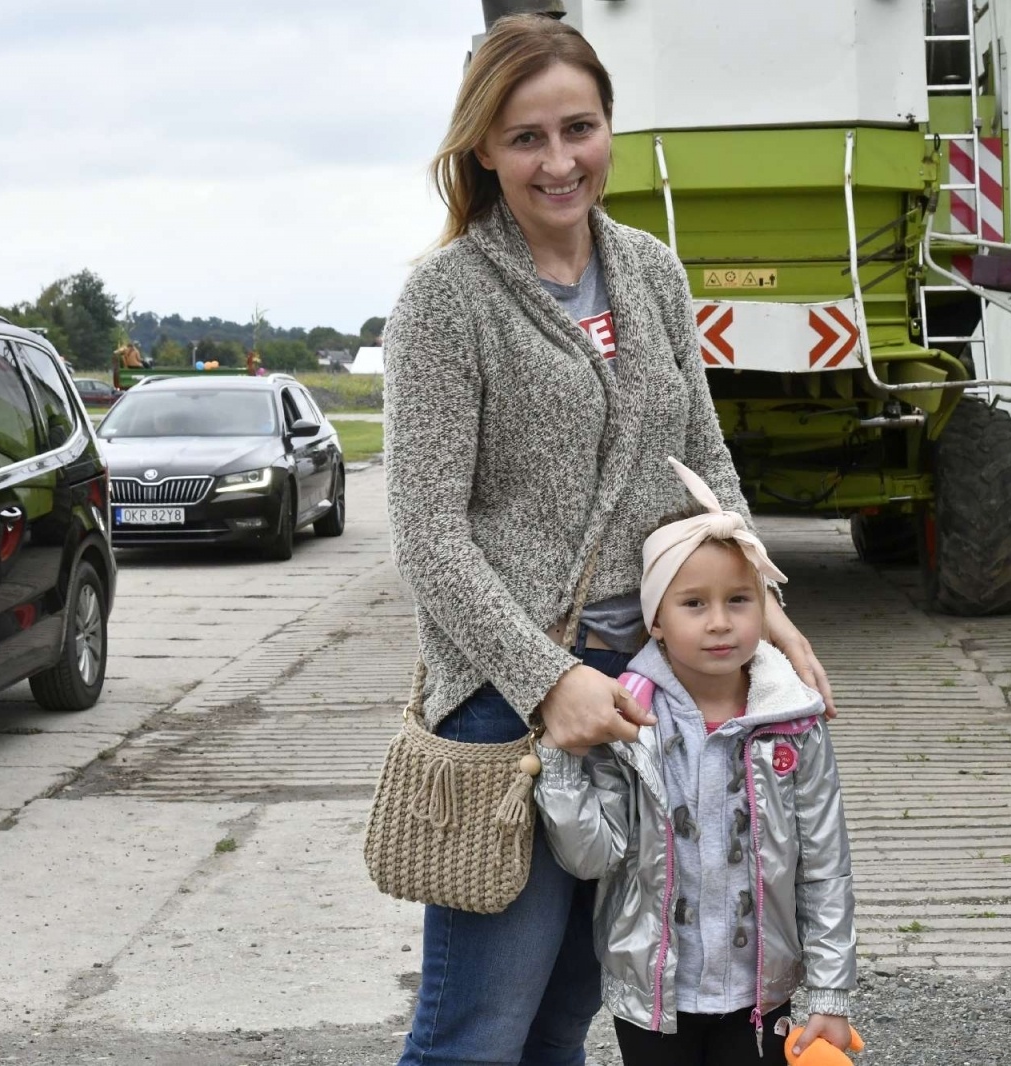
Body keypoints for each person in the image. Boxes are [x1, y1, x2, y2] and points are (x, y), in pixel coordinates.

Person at [381, 14, 835, 1066]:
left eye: (577, 129)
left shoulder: (650, 272)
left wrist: (766, 614)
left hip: (643, 694)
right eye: (527, 136)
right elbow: (425, 529)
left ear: (609, 130)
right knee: (478, 1028)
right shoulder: (445, 301)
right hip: (505, 703)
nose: (557, 160)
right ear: (482, 148)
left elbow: (705, 468)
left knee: (572, 1014)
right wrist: (547, 681)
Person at [534, 458, 855, 1066]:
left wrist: (832, 993)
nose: (718, 623)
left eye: (739, 600)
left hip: (764, 994)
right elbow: (591, 856)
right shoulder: (628, 720)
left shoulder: (795, 723)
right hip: (654, 1004)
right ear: (655, 619)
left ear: (764, 611)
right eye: (693, 603)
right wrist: (559, 763)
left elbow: (825, 867)